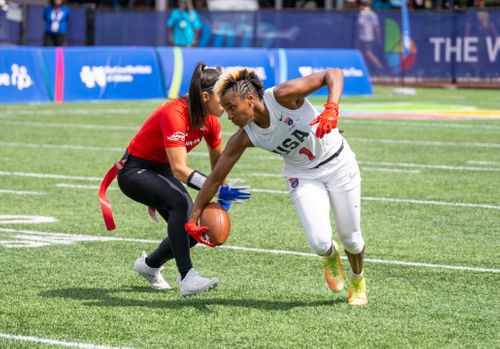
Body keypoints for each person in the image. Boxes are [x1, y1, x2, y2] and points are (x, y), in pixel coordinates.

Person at [185, 67, 368, 306]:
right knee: (320, 242)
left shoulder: (282, 96)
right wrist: (193, 218)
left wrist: (331, 108)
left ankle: (358, 281)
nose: (228, 115)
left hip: (339, 164)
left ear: (250, 99)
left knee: (352, 239)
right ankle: (330, 257)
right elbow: (214, 179)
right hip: (302, 175)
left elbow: (333, 74)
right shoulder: (244, 136)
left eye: (231, 107)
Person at [98, 63, 250, 297]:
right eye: (222, 97)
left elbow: (219, 164)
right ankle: (187, 276)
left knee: (194, 228)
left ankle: (149, 265)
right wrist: (213, 188)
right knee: (180, 204)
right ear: (206, 96)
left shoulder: (210, 121)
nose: (227, 101)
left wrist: (224, 186)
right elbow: (179, 169)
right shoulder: (174, 113)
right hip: (135, 171)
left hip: (161, 170)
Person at [356, 0, 384, 73]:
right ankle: (366, 69)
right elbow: (377, 28)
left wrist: (359, 33)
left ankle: (380, 67)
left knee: (368, 53)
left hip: (363, 37)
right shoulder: (373, 14)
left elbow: (360, 24)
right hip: (371, 37)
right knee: (365, 53)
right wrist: (378, 38)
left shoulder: (362, 13)